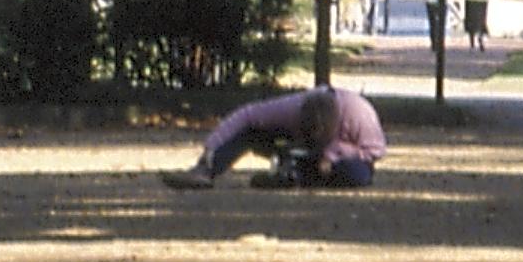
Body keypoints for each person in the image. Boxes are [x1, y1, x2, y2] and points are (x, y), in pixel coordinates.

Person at [165, 85, 386, 190]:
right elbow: (247, 115)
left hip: (343, 159)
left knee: (359, 174)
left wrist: (334, 153)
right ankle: (206, 170)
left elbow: (376, 151)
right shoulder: (293, 107)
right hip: (297, 147)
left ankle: (294, 175)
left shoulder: (360, 114)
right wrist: (211, 147)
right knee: (250, 131)